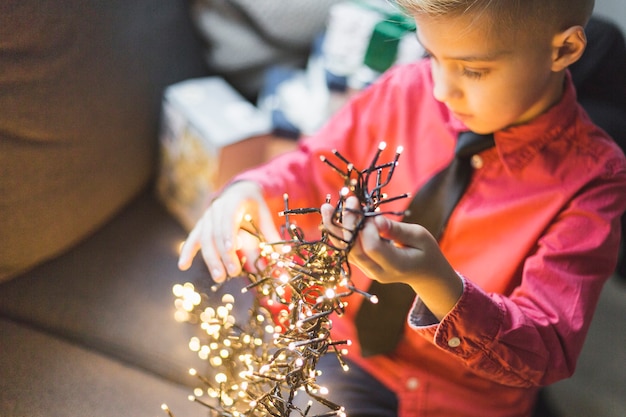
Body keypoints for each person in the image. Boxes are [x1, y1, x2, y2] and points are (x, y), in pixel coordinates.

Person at [178, 0, 626, 416]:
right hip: (340, 344)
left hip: (461, 397)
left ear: (564, 48)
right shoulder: (406, 90)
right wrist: (250, 187)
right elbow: (311, 167)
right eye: (432, 55)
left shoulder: (595, 181)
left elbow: (548, 348)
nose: (441, 89)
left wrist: (440, 285)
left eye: (473, 70)